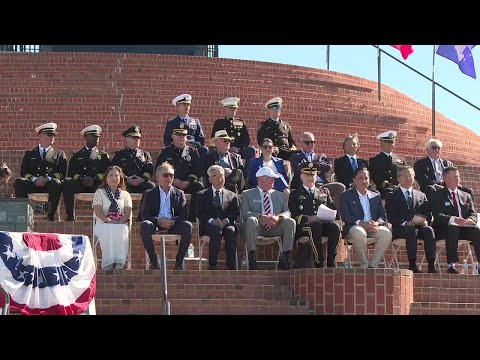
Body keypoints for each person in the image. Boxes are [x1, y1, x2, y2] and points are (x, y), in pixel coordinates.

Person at [140, 162, 193, 270]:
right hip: (156, 224)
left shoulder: (179, 193)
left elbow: (183, 215)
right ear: (158, 176)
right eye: (166, 175)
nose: (169, 178)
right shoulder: (149, 193)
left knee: (187, 226)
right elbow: (144, 214)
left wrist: (173, 221)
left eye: (171, 175)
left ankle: (179, 262)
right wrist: (158, 220)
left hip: (173, 224)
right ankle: (154, 261)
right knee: (145, 225)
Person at [240, 166, 296, 270]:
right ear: (260, 179)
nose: (273, 181)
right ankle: (252, 258)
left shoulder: (280, 195)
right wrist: (260, 217)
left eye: (273, 178)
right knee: (251, 220)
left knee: (290, 222)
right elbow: (244, 213)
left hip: (275, 226)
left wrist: (278, 217)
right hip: (257, 227)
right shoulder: (247, 194)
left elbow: (287, 212)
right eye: (270, 178)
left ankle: (285, 258)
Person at [385, 166, 437, 273]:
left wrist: (425, 221)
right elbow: (391, 217)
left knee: (429, 230)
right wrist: (406, 223)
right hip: (401, 229)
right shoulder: (392, 196)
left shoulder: (421, 195)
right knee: (411, 230)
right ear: (399, 178)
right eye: (406, 176)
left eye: (411, 176)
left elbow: (427, 214)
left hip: (418, 227)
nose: (409, 178)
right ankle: (412, 264)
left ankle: (431, 265)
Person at [288, 162, 341, 268]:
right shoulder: (295, 194)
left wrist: (330, 216)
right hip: (304, 226)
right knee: (315, 226)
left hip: (323, 223)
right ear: (301, 176)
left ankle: (331, 261)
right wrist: (309, 218)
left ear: (316, 176)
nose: (310, 177)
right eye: (307, 175)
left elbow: (334, 210)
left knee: (335, 227)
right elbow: (293, 215)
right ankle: (318, 262)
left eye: (312, 175)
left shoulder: (323, 191)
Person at [430, 166, 480, 274]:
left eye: (458, 176)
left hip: (464, 229)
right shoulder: (437, 195)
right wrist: (454, 219)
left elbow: (473, 213)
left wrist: (471, 219)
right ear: (446, 179)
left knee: (477, 231)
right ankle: (451, 265)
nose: (458, 179)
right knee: (453, 228)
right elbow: (437, 215)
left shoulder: (466, 195)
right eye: (455, 177)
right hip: (445, 229)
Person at [340, 168, 392, 268]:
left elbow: (382, 215)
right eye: (360, 178)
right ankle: (364, 265)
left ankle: (373, 265)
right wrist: (361, 223)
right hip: (354, 227)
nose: (363, 181)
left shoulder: (375, 196)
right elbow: (346, 216)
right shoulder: (346, 196)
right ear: (354, 180)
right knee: (359, 232)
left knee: (386, 233)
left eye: (366, 178)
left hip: (373, 227)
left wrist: (377, 223)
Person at [14, 122, 67, 221]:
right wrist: (34, 179)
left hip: (49, 185)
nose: (52, 138)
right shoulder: (30, 153)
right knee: (19, 182)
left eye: (53, 135)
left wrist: (47, 179)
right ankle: (24, 215)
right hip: (34, 184)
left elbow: (62, 173)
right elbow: (24, 172)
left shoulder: (59, 154)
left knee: (56, 183)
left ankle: (50, 216)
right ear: (41, 135)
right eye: (49, 135)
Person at [156, 128, 205, 221]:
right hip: (170, 183)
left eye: (184, 135)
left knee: (198, 186)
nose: (181, 137)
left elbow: (198, 170)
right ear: (172, 136)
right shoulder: (165, 152)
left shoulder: (193, 152)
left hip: (187, 184)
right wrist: (172, 180)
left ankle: (193, 217)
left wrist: (188, 181)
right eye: (178, 135)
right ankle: (166, 216)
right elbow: (159, 169)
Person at [63, 125, 110, 221]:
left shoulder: (103, 155)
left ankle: (105, 216)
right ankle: (70, 216)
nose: (96, 139)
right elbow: (71, 173)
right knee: (68, 183)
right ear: (85, 137)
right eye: (93, 136)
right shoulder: (77, 155)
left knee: (108, 184)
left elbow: (107, 172)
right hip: (81, 184)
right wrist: (81, 179)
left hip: (96, 184)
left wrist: (95, 178)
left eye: (97, 137)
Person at [197, 165, 240, 270]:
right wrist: (212, 221)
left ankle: (231, 265)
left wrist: (226, 220)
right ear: (210, 179)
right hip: (209, 226)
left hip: (226, 224)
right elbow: (199, 213)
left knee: (231, 231)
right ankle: (212, 265)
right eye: (216, 176)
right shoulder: (201, 195)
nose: (220, 179)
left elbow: (235, 212)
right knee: (216, 231)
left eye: (222, 176)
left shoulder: (232, 195)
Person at [92, 166, 132, 271]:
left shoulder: (125, 195)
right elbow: (98, 212)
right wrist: (109, 221)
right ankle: (108, 263)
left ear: (121, 178)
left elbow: (127, 213)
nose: (114, 178)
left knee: (121, 229)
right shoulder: (99, 193)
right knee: (109, 229)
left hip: (120, 224)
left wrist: (120, 221)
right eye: (111, 175)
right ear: (106, 178)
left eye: (116, 175)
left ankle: (119, 262)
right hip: (103, 224)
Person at [211, 97, 256, 172]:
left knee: (251, 150)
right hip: (223, 150)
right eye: (231, 108)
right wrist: (228, 148)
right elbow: (214, 138)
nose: (233, 110)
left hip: (238, 150)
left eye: (235, 108)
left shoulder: (240, 122)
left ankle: (247, 176)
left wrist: (239, 149)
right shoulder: (219, 123)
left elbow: (246, 140)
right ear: (225, 109)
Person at [111, 126, 156, 194]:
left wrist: (142, 179)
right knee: (117, 187)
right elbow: (115, 170)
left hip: (141, 183)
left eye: (138, 138)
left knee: (151, 186)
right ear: (127, 139)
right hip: (125, 183)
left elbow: (149, 170)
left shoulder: (145, 155)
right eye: (134, 137)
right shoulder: (119, 155)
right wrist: (126, 179)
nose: (137, 139)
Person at [163, 93, 208, 160]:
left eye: (188, 105)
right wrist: (178, 144)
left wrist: (193, 145)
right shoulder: (171, 123)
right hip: (177, 148)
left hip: (193, 149)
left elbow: (201, 139)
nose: (187, 107)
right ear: (178, 106)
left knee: (204, 150)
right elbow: (167, 140)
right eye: (184, 105)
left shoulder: (195, 121)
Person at [368, 130, 406, 198]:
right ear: (382, 144)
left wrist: (399, 186)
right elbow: (376, 178)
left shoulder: (401, 160)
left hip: (400, 189)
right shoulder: (375, 161)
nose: (391, 145)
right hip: (383, 191)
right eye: (388, 143)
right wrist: (390, 186)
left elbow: (405, 174)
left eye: (392, 142)